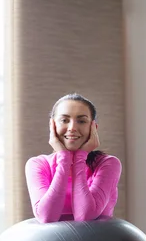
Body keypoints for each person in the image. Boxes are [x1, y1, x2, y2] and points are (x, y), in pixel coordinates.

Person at [25, 93, 122, 223]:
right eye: (64, 120)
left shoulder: (108, 164)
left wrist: (81, 156)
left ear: (93, 128)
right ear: (52, 126)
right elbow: (46, 217)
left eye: (81, 121)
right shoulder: (37, 164)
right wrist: (64, 158)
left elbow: (85, 216)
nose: (72, 128)